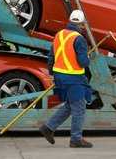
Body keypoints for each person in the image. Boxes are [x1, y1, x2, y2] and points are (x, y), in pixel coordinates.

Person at [39, 9, 93, 148]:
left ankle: (49, 127)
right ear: (82, 23)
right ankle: (76, 139)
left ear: (70, 21)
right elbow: (83, 62)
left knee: (71, 105)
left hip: (60, 76)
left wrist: (53, 73)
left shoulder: (59, 35)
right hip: (73, 78)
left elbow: (52, 56)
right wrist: (88, 58)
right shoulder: (79, 39)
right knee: (79, 108)